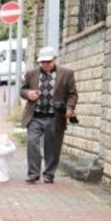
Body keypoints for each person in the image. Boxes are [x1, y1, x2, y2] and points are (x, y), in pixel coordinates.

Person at [19, 45, 78, 184]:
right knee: (32, 142)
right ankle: (33, 174)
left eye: (48, 61)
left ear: (55, 59)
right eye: (43, 62)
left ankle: (49, 174)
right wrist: (28, 94)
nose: (45, 64)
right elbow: (22, 90)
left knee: (52, 147)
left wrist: (70, 107)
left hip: (54, 117)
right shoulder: (31, 74)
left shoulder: (67, 73)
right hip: (35, 116)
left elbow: (72, 94)